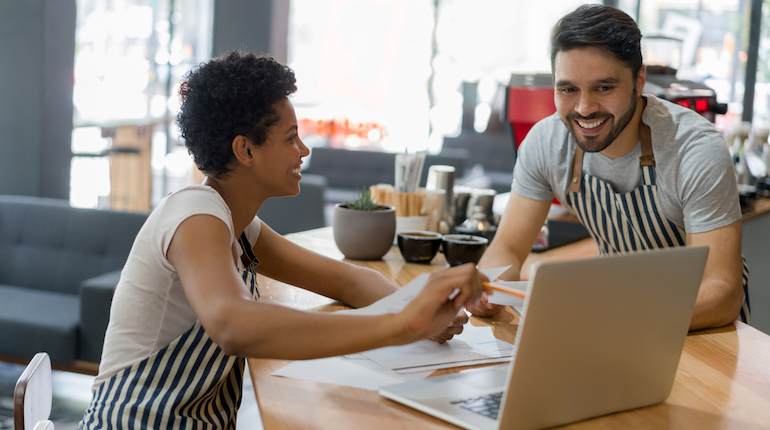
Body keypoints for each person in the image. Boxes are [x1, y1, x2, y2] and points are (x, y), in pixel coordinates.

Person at [79, 51, 486, 429]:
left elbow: (344, 280)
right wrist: (401, 324)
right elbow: (231, 323)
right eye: (291, 137)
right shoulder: (194, 214)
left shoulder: (241, 227)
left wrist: (421, 305)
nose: (304, 150)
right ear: (245, 151)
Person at [470, 4, 749, 331]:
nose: (585, 108)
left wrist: (620, 317)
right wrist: (488, 288)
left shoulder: (694, 148)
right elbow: (507, 247)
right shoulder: (546, 143)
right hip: (617, 318)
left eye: (604, 87)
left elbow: (723, 291)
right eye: (568, 89)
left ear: (639, 80)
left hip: (700, 327)